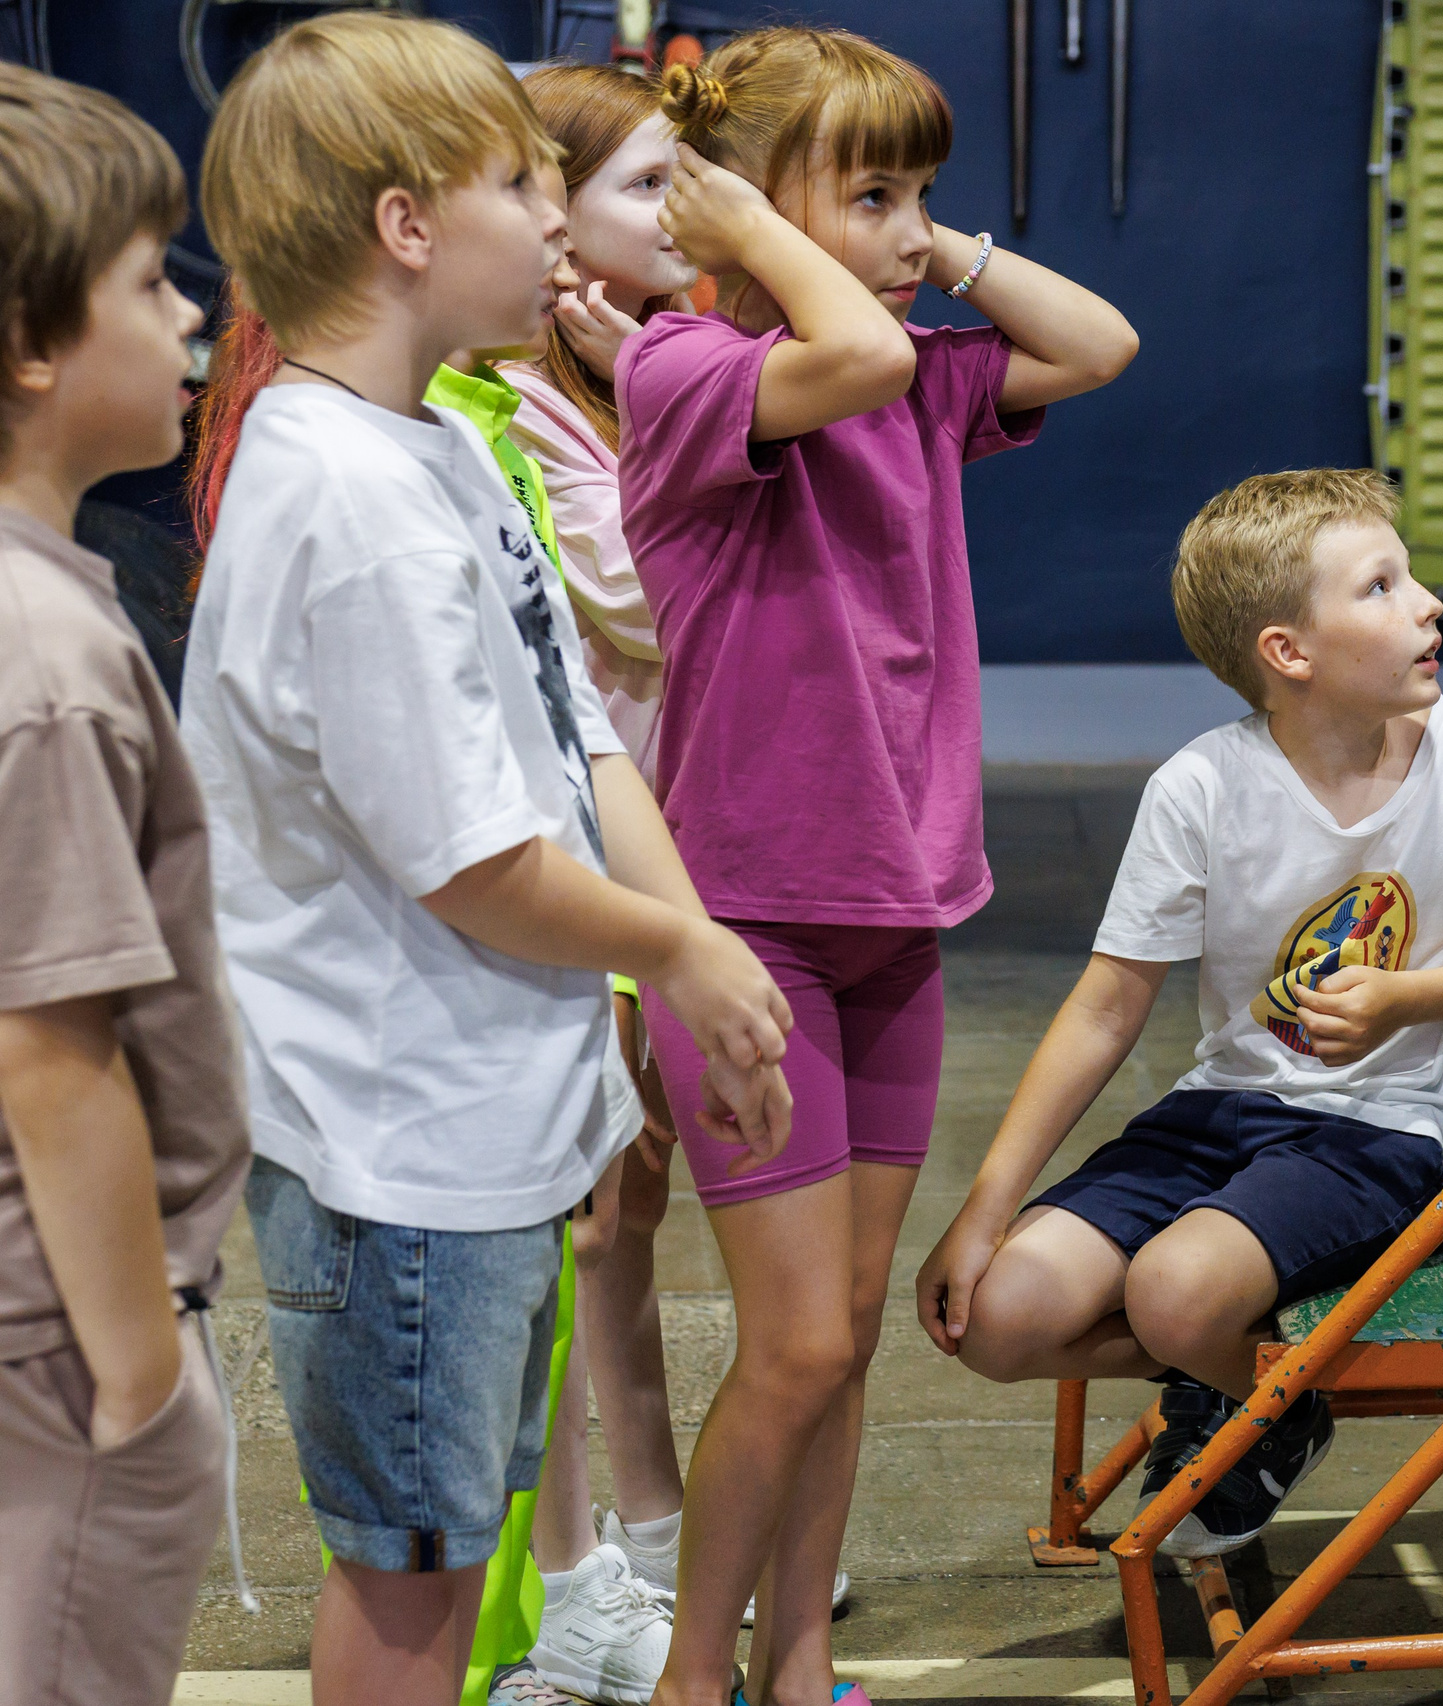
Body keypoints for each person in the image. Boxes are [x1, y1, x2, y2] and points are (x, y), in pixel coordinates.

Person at [184, 16, 794, 1706]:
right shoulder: (346, 499)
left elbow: (574, 736)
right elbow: (476, 862)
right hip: (399, 1161)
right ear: (404, 226)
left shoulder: (450, 441)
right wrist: (689, 957)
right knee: (413, 1593)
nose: (559, 223)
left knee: (452, 1551)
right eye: (523, 185)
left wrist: (687, 948)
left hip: (485, 1132)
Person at [613, 27, 1137, 1706]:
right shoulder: (689, 369)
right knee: (803, 1341)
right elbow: (843, 350)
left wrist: (929, 243)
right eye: (876, 192)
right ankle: (700, 1674)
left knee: (840, 1333)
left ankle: (802, 1662)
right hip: (748, 924)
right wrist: (754, 234)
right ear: (740, 211)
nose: (913, 231)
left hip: (896, 921)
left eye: (925, 191)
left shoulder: (916, 365)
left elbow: (1100, 343)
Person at [915, 469, 1443, 1558]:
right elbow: (1105, 1007)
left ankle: (1249, 1399)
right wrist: (981, 1213)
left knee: (1175, 1293)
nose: (1426, 601)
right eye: (1381, 586)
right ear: (1290, 652)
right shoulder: (1200, 785)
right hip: (1225, 1109)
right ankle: (1253, 1385)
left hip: (1387, 1128)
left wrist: (1405, 999)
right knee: (999, 1316)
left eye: (1409, 573)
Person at [0, 61, 246, 1706]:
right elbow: (52, 1051)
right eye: (151, 281)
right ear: (27, 344)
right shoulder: (54, 659)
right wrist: (141, 1382)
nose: (194, 317)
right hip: (65, 1339)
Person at [499, 63, 705, 1695]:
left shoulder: (626, 379)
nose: (686, 215)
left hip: (657, 848)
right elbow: (651, 608)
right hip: (572, 877)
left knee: (621, 1220)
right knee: (579, 1223)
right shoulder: (515, 408)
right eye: (650, 184)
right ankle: (576, 1579)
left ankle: (644, 1525)